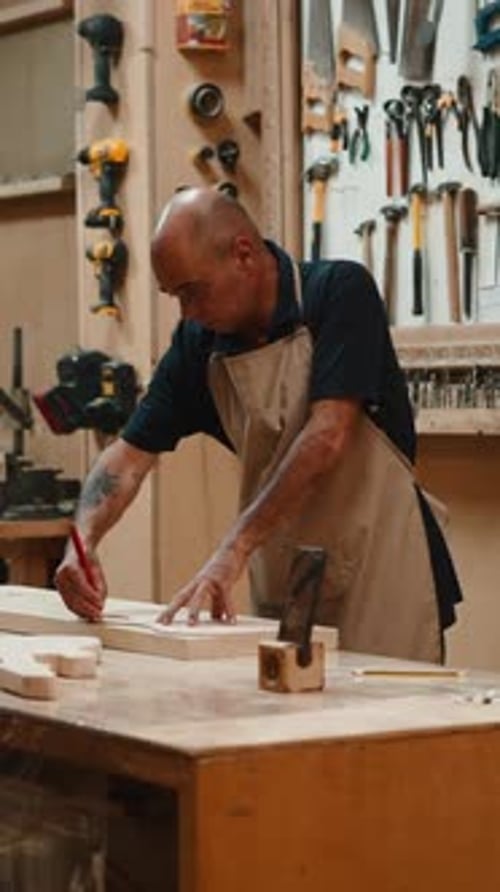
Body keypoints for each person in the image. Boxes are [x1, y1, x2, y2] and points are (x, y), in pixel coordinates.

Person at [55, 186, 462, 662]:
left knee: (390, 724)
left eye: (192, 291)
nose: (187, 312)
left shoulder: (337, 293)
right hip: (290, 574)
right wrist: (81, 543)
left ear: (243, 254)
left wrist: (233, 549)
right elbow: (127, 458)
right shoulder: (198, 344)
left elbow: (327, 435)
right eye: (174, 295)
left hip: (383, 573)